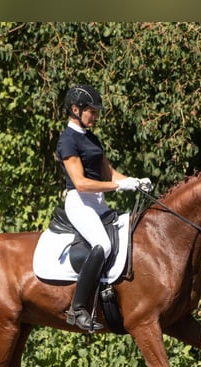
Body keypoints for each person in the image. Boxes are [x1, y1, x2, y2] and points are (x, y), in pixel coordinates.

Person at [56, 84, 148, 331]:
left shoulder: (91, 138)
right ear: (75, 110)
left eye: (96, 111)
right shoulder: (68, 141)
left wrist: (133, 181)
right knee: (104, 245)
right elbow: (81, 183)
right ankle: (77, 309)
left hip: (98, 203)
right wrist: (118, 187)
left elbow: (110, 173)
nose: (95, 116)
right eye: (91, 111)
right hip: (80, 202)